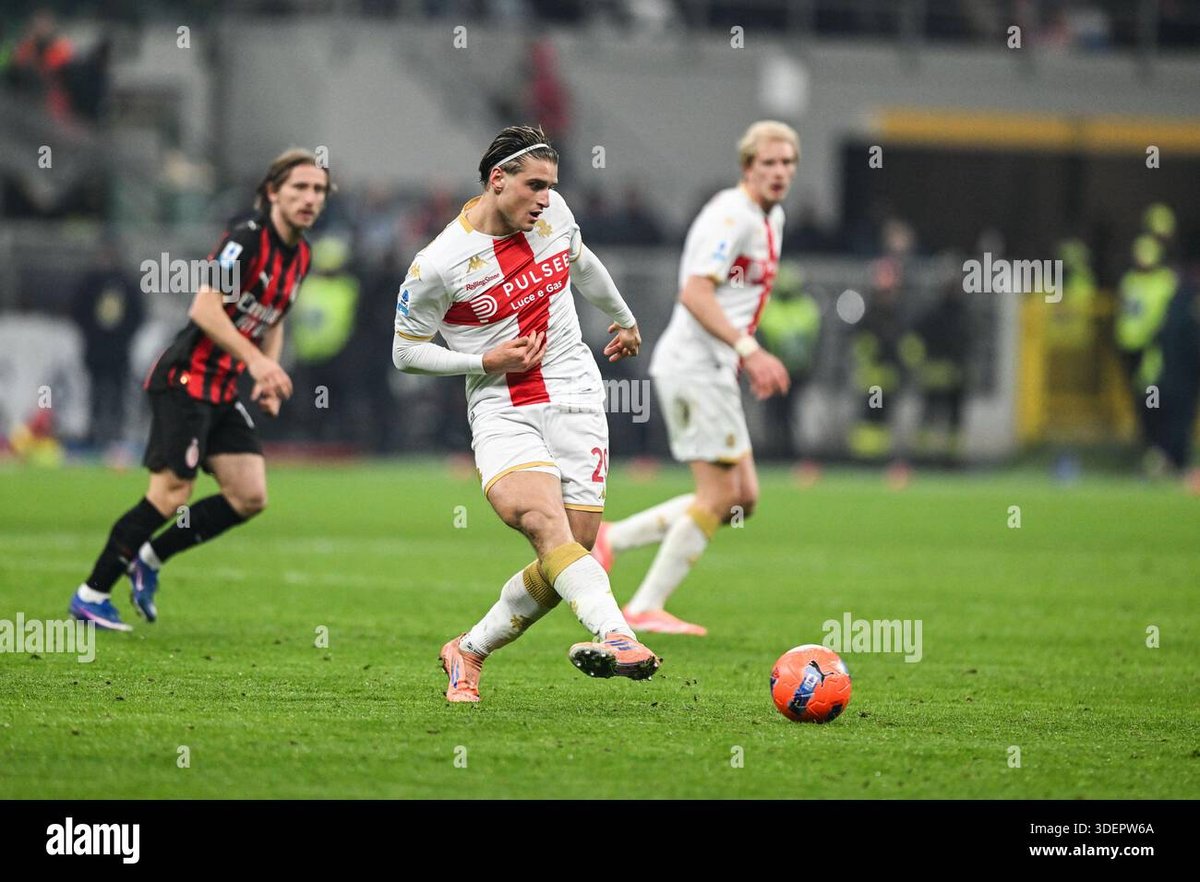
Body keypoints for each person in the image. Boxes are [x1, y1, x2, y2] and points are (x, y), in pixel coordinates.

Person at [392, 125, 661, 702]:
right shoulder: (438, 263)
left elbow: (581, 262)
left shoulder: (553, 216)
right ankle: (616, 634)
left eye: (550, 187)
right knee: (544, 525)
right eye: (534, 186)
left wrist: (625, 317)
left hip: (577, 395)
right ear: (497, 180)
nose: (544, 198)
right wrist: (481, 358)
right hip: (501, 405)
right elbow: (404, 350)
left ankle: (468, 650)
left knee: (569, 552)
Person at [69, 149, 331, 631]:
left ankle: (150, 556)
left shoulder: (302, 255)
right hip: (185, 380)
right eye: (299, 188)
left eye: (318, 190)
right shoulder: (246, 240)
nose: (309, 198)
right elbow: (205, 309)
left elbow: (273, 317)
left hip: (224, 387)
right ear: (273, 192)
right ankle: (92, 593)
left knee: (249, 495)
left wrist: (266, 373)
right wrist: (253, 359)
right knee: (170, 495)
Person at [591, 120, 798, 636]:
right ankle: (644, 607)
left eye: (787, 163)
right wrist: (750, 351)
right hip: (694, 366)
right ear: (747, 167)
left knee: (742, 498)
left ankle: (613, 539)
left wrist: (739, 355)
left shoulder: (772, 220)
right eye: (768, 163)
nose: (778, 172)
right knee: (718, 496)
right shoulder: (731, 216)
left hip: (714, 367)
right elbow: (695, 293)